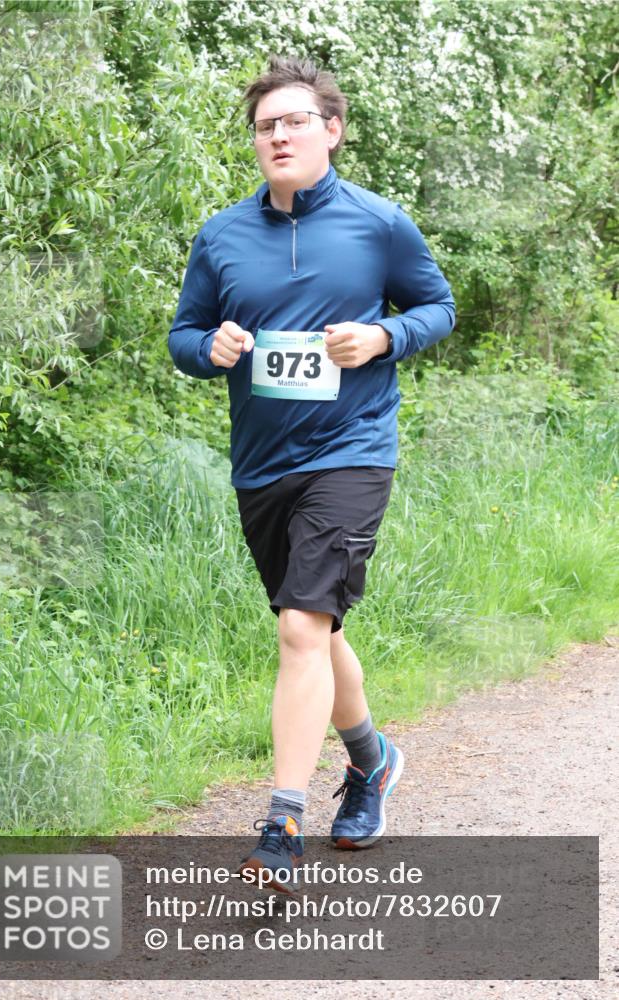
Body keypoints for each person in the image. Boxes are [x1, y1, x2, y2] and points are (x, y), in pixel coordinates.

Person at [168, 54, 455, 894]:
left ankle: (280, 823)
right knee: (317, 631)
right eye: (265, 126)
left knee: (298, 630)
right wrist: (207, 349)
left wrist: (383, 338)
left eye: (294, 121)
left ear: (331, 130)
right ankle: (371, 762)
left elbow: (436, 306)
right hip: (262, 464)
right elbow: (184, 336)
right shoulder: (222, 234)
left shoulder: (377, 223)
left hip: (352, 450)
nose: (278, 136)